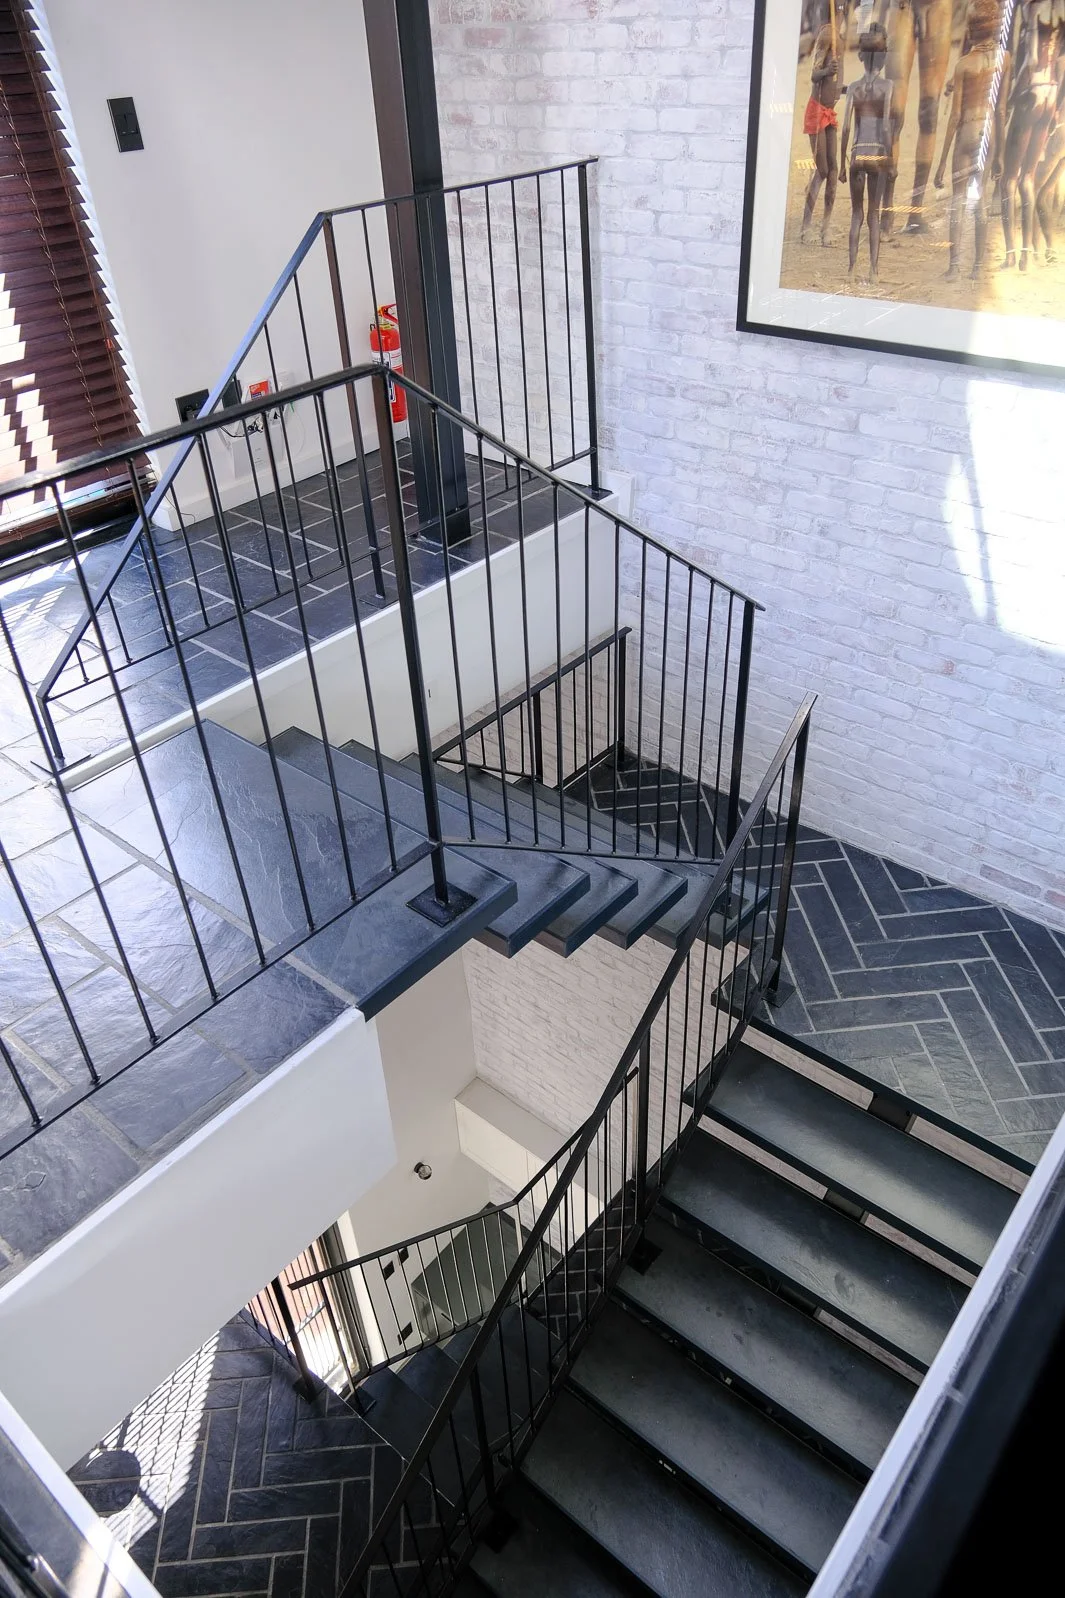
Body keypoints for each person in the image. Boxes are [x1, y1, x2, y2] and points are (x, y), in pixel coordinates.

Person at [933, 0, 1005, 279]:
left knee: (958, 200)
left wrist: (941, 163)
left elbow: (955, 117)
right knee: (980, 199)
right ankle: (977, 267)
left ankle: (954, 267)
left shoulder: (963, 65)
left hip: (967, 131)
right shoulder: (1005, 59)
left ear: (972, 29)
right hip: (988, 131)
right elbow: (1000, 110)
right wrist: (999, 154)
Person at [997, 0, 1065, 269]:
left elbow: (1031, 60)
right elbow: (1060, 62)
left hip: (1032, 92)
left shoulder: (1032, 8)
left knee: (1008, 180)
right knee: (1028, 177)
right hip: (1050, 93)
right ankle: (1026, 254)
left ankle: (1010, 254)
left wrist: (1010, 98)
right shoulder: (1060, 10)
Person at [882, 0, 955, 234]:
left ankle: (915, 211)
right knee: (894, 112)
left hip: (938, 7)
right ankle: (887, 208)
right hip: (902, 6)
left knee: (929, 111)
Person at [841, 24, 896, 281]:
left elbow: (846, 127)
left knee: (856, 214)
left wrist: (843, 162)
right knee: (874, 214)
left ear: (861, 56)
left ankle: (851, 270)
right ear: (883, 56)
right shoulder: (887, 86)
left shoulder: (853, 87)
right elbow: (885, 127)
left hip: (856, 153)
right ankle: (873, 271)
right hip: (876, 153)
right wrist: (890, 160)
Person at [801, 0, 850, 242]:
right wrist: (827, 72)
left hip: (830, 113)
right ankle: (805, 227)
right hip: (817, 110)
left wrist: (850, 89)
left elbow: (835, 84)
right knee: (821, 170)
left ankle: (825, 228)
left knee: (833, 171)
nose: (843, 10)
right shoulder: (827, 35)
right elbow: (814, 75)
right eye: (842, 6)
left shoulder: (839, 37)